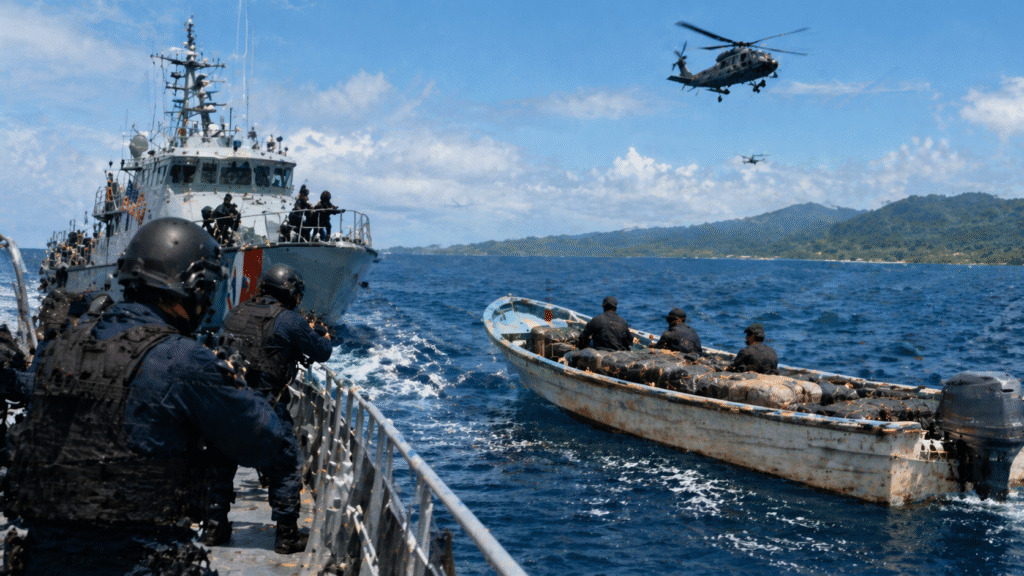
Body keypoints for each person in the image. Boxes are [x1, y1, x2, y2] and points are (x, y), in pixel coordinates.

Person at [2, 217, 303, 573]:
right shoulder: (183, 359)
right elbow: (265, 441)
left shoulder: (58, 348)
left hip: (43, 558)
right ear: (190, 287)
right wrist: (233, 381)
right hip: (137, 559)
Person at [209, 264, 332, 551]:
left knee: (220, 466)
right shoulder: (288, 320)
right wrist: (323, 337)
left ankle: (214, 529)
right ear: (289, 292)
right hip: (264, 408)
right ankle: (287, 536)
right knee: (287, 466)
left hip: (226, 405)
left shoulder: (235, 313)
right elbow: (322, 352)